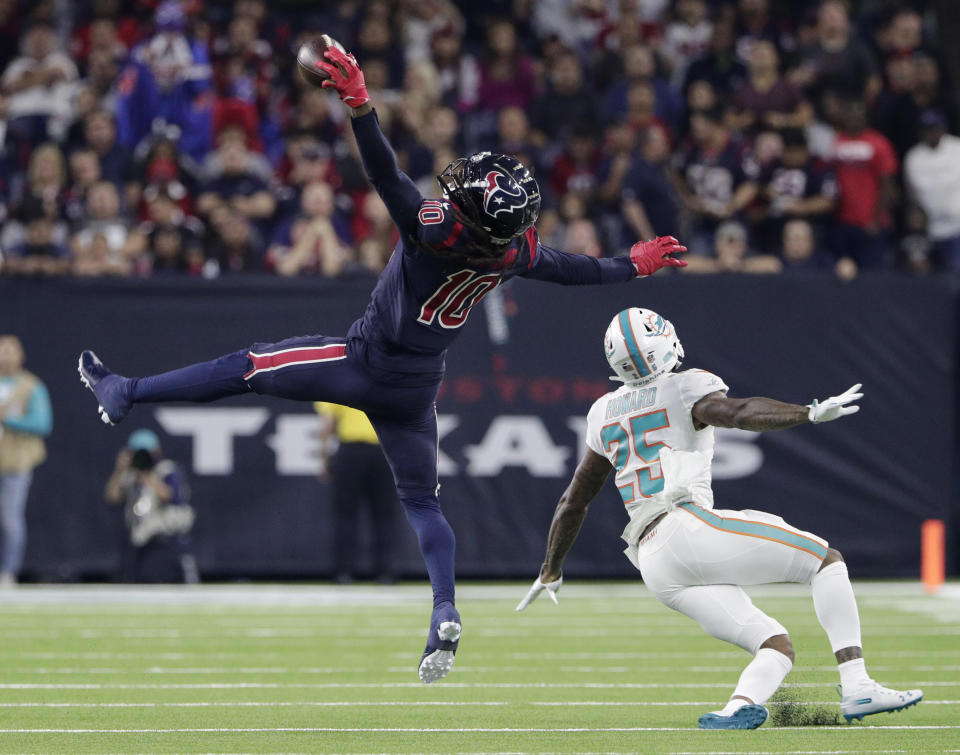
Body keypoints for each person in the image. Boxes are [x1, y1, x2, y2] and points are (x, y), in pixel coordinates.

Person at [78, 44, 687, 684]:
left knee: (248, 366)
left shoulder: (437, 230)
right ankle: (444, 610)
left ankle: (127, 391)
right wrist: (633, 266)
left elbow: (385, 175)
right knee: (423, 504)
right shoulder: (512, 254)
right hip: (417, 388)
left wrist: (362, 108)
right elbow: (576, 269)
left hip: (362, 361)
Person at [517, 307, 923, 729]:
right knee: (826, 561)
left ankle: (738, 705)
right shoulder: (683, 387)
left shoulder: (603, 412)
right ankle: (857, 685)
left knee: (774, 643)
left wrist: (550, 569)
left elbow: (573, 502)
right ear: (663, 344)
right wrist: (808, 412)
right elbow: (740, 412)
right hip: (685, 526)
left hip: (652, 562)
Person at [316, 402, 398, 584]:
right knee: (383, 515)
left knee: (345, 514)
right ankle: (385, 571)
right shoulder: (386, 379)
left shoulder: (338, 380)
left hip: (351, 453)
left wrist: (324, 458)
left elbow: (327, 423)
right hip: (383, 450)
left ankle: (343, 572)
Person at [104, 428, 198, 584]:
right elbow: (112, 498)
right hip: (138, 542)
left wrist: (146, 475)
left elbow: (171, 496)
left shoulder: (167, 470)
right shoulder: (130, 475)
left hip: (165, 541)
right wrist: (119, 470)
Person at [0, 335, 53, 586]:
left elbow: (43, 424)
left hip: (15, 463)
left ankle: (8, 572)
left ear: (20, 355)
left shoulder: (31, 386)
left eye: (10, 351)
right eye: (2, 350)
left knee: (10, 519)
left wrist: (9, 420)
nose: (5, 356)